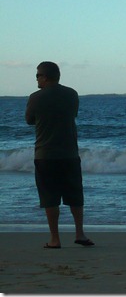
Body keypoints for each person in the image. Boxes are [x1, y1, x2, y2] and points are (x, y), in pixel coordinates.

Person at [25, 61, 94, 249]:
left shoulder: (35, 97)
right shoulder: (72, 94)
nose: (36, 79)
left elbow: (29, 120)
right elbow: (73, 114)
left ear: (45, 77)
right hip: (69, 152)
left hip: (45, 154)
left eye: (38, 75)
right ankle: (80, 233)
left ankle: (55, 239)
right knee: (75, 195)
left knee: (49, 197)